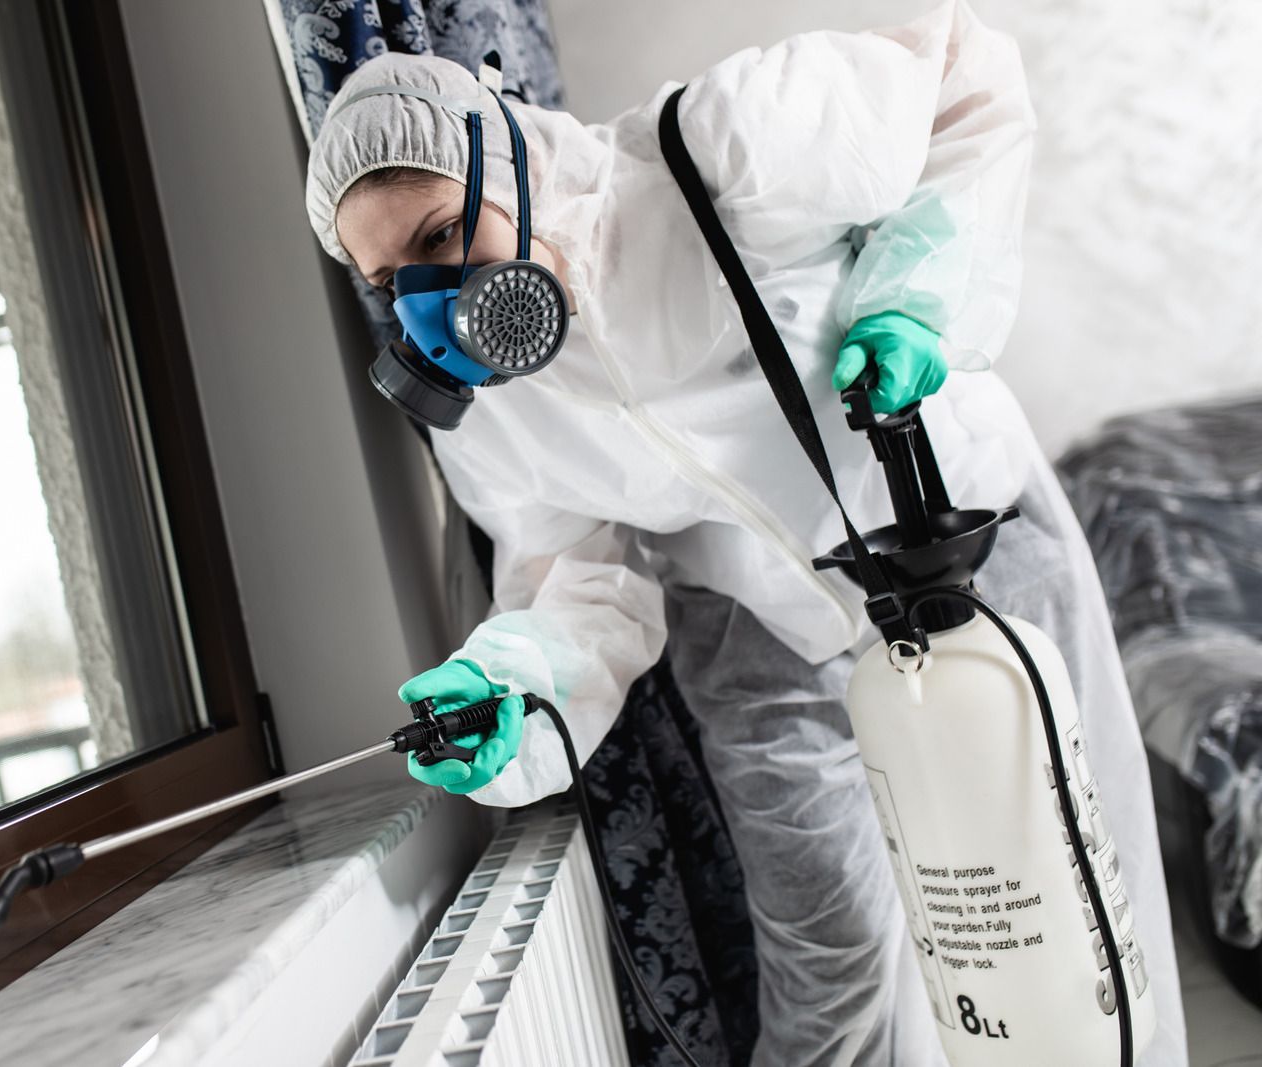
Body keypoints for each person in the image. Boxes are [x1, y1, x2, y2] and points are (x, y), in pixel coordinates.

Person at [304, 2, 1187, 1064]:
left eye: (443, 235)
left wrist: (915, 296)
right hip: (756, 629)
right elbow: (573, 575)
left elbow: (963, 79)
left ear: (509, 153)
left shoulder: (722, 148)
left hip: (961, 547)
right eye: (391, 279)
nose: (436, 302)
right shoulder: (491, 413)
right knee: (826, 971)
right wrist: (515, 680)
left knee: (1072, 915)